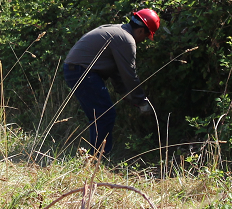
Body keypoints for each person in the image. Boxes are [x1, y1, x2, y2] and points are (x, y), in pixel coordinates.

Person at [63, 9, 160, 158]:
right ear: (141, 30)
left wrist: (126, 95)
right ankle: (98, 158)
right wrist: (141, 101)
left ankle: (95, 156)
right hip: (82, 71)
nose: (145, 39)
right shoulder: (127, 40)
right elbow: (130, 75)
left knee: (100, 114)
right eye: (147, 36)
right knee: (104, 115)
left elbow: (117, 74)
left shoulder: (118, 31)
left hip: (76, 70)